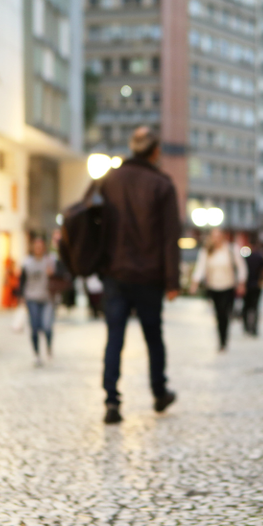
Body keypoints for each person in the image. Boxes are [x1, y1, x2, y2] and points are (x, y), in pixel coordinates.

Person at [98, 126, 181, 424]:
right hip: (149, 275)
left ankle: (111, 401)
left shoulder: (110, 180)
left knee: (114, 338)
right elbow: (171, 236)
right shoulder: (162, 185)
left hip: (115, 273)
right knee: (153, 336)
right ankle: (159, 392)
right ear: (155, 151)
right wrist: (173, 282)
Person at [190, 228, 247, 351]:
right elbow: (200, 267)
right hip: (213, 287)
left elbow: (241, 267)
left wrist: (241, 282)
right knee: (218, 314)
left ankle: (224, 339)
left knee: (225, 313)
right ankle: (221, 340)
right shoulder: (207, 250)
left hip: (228, 286)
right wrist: (195, 282)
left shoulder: (231, 249)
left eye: (218, 235)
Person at [20, 235, 56, 367]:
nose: (38, 249)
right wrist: (21, 297)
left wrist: (53, 274)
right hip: (32, 298)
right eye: (36, 246)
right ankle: (36, 354)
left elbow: (60, 278)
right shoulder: (27, 263)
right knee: (34, 327)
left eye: (41, 246)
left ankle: (49, 347)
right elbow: (22, 281)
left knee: (47, 326)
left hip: (47, 298)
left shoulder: (50, 261)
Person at [242, 237, 263, 336]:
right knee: (255, 308)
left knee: (246, 307)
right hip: (256, 285)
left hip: (247, 285)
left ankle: (247, 327)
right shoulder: (260, 257)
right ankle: (254, 329)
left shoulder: (245, 257)